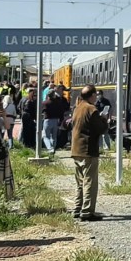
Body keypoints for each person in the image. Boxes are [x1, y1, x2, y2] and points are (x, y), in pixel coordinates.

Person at [70, 85, 108, 221]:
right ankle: (87, 212)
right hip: (88, 150)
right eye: (95, 95)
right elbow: (101, 129)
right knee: (90, 182)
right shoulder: (91, 109)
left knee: (80, 182)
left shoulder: (78, 107)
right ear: (92, 95)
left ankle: (77, 208)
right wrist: (104, 119)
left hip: (76, 149)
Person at [42, 88, 70, 156]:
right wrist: (60, 121)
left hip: (47, 121)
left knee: (45, 136)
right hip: (56, 121)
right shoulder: (58, 103)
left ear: (48, 96)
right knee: (54, 137)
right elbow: (61, 112)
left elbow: (42, 111)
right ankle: (53, 149)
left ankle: (50, 148)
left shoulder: (45, 103)